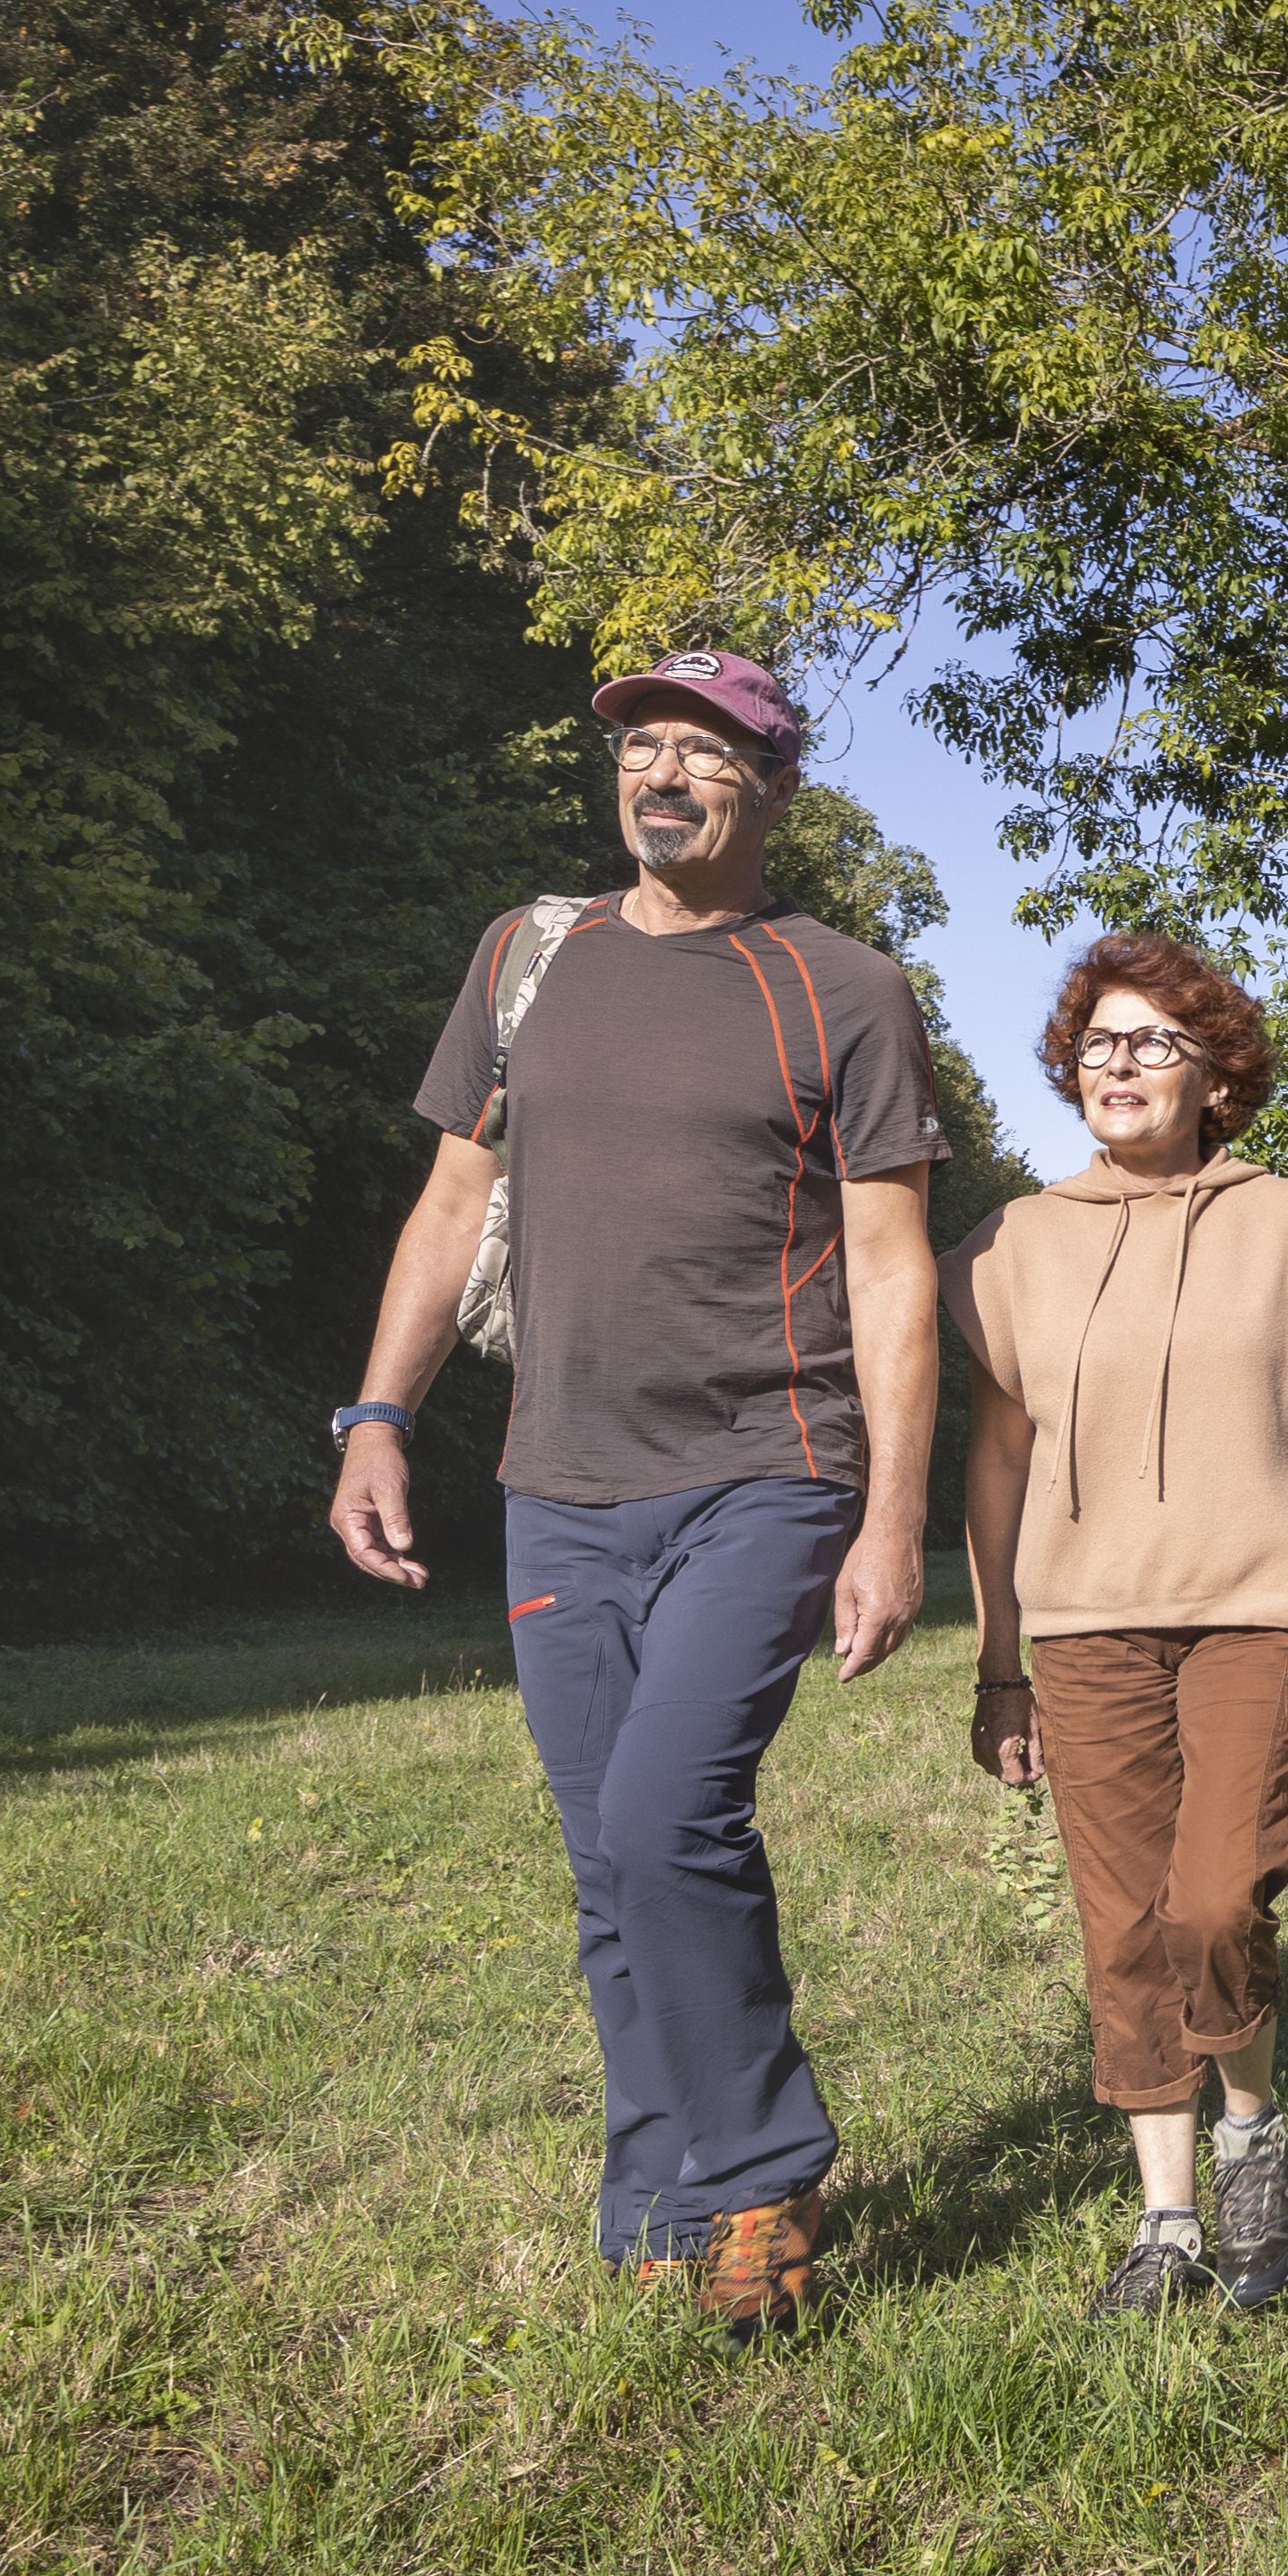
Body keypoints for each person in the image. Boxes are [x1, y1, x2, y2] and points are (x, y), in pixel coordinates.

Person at [325, 650, 948, 2343]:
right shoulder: (530, 963)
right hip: (561, 1478)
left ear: (778, 789)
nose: (663, 775)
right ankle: (662, 2183)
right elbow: (451, 1210)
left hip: (770, 1463)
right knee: (610, 1853)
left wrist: (896, 1517)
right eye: (642, 749)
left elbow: (895, 1272)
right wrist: (378, 1415)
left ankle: (759, 2174)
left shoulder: (845, 989)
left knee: (672, 1810)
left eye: (705, 752)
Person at [944, 933, 1288, 2315]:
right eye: (1099, 1042)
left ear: (1217, 1075)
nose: (1118, 1063)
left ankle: (1249, 2137)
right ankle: (1167, 2223)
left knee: (1218, 1901)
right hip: (1083, 1626)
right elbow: (994, 1465)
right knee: (1121, 1924)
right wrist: (999, 1664)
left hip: (1255, 1610)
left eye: (1153, 1041)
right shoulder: (1012, 1244)